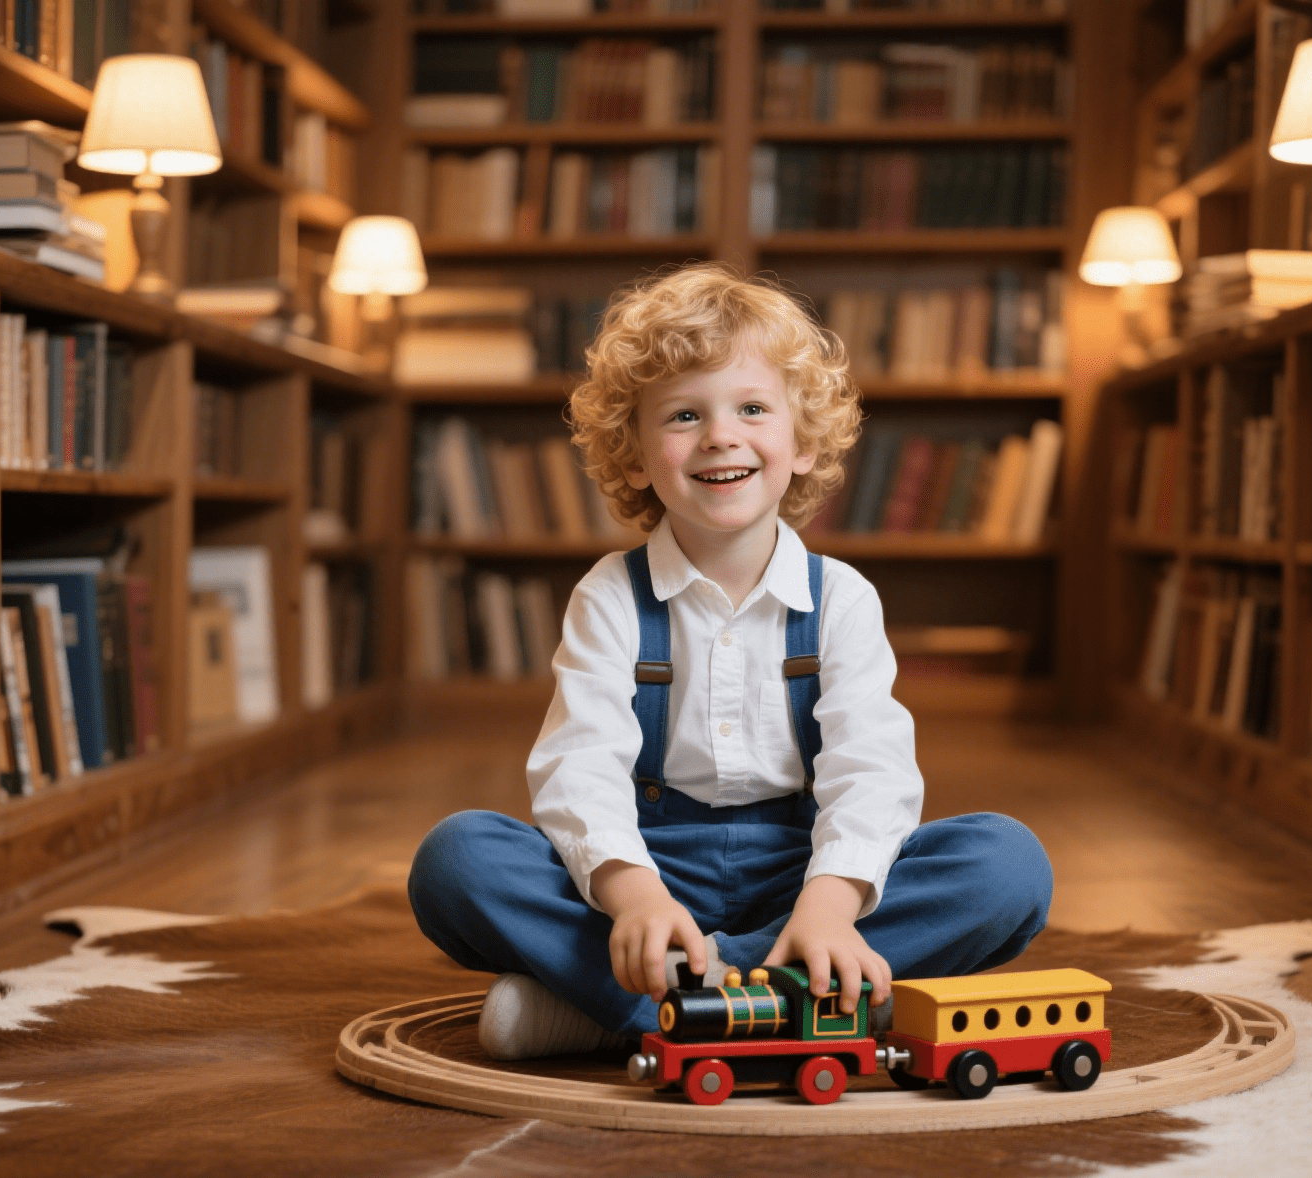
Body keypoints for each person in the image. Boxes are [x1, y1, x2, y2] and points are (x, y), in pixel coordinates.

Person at [409, 263, 1052, 1060]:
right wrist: (634, 898)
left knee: (1007, 866)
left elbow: (872, 773)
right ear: (637, 455)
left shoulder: (842, 598)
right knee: (457, 860)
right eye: (683, 415)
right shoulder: (609, 596)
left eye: (752, 408)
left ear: (804, 442)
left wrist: (828, 909)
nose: (720, 435)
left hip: (802, 873)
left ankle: (636, 1008)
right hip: (652, 869)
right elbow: (581, 769)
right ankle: (815, 1003)